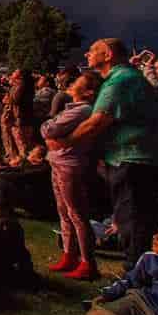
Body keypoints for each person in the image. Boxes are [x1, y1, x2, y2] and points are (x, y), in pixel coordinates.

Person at [46, 38, 158, 269]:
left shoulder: (120, 81)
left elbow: (96, 122)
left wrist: (65, 142)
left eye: (92, 51)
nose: (87, 55)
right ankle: (135, 275)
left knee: (133, 224)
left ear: (107, 54)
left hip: (133, 160)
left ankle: (135, 279)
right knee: (131, 221)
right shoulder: (126, 77)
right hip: (134, 159)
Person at [42, 70, 103, 280]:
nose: (72, 83)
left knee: (76, 213)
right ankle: (69, 254)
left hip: (69, 163)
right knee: (64, 212)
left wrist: (51, 130)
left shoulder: (83, 110)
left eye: (78, 81)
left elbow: (48, 129)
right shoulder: (74, 108)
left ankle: (87, 262)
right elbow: (50, 128)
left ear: (87, 91)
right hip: (59, 160)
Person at [84, 226, 158, 315]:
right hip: (141, 302)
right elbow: (129, 280)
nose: (155, 237)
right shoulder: (151, 258)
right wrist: (107, 294)